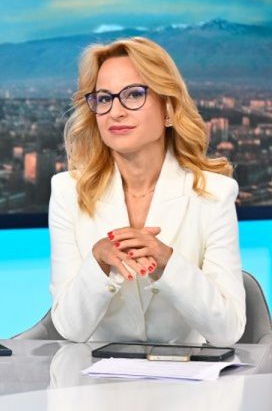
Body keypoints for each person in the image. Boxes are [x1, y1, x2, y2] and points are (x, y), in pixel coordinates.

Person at [49, 37, 245, 346]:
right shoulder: (67, 192)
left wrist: (168, 262)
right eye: (104, 98)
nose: (115, 112)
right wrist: (98, 261)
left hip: (184, 374)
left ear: (168, 109)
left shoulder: (214, 195)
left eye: (134, 95)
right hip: (96, 374)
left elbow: (228, 331)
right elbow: (70, 329)